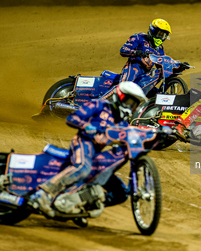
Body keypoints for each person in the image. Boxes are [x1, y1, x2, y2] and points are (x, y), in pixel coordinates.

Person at [30, 82, 147, 217]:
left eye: (134, 105)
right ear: (120, 96)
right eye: (130, 102)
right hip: (83, 142)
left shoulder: (121, 122)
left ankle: (83, 205)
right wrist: (86, 126)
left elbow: (128, 135)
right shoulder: (99, 105)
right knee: (83, 167)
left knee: (120, 193)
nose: (131, 107)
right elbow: (72, 118)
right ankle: (43, 193)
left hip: (96, 155)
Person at [101, 18, 172, 99]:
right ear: (152, 31)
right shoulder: (139, 37)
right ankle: (99, 102)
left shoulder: (160, 49)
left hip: (145, 74)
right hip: (133, 67)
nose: (160, 37)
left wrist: (177, 66)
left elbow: (163, 63)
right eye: (159, 34)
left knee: (156, 95)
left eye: (163, 35)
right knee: (123, 88)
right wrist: (136, 52)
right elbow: (123, 50)